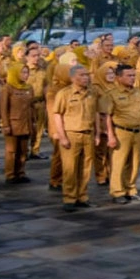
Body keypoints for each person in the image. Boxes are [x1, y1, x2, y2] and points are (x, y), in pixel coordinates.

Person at [50, 65, 98, 212]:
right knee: (70, 168)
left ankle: (82, 196)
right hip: (71, 133)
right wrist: (62, 136)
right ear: (72, 78)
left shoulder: (91, 93)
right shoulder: (64, 94)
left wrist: (96, 133)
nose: (86, 78)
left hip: (87, 133)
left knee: (85, 168)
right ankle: (69, 198)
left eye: (86, 75)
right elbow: (57, 115)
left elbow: (95, 113)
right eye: (81, 75)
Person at [103, 64, 140, 204]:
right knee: (119, 162)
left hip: (137, 131)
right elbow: (107, 116)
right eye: (129, 76)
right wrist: (111, 136)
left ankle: (131, 189)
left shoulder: (139, 92)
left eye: (133, 75)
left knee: (135, 162)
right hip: (121, 131)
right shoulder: (112, 94)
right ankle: (117, 191)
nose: (132, 78)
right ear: (119, 78)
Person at [0, 63, 35, 184]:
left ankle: (21, 172)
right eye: (23, 72)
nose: (26, 75)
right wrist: (5, 124)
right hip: (13, 123)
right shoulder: (7, 88)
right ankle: (10, 174)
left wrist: (33, 122)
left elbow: (31, 106)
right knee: (11, 151)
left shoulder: (29, 88)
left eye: (27, 72)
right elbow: (4, 108)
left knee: (23, 150)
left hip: (26, 123)